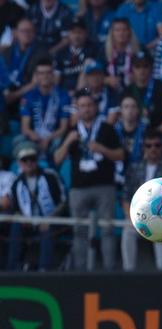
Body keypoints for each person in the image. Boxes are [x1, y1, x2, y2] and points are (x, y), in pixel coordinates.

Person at [53, 89, 124, 271]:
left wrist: (102, 149)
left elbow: (120, 155)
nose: (86, 109)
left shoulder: (107, 128)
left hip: (104, 186)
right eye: (82, 106)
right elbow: (57, 159)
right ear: (77, 109)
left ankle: (109, 271)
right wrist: (68, 142)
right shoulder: (72, 131)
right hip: (78, 188)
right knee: (79, 232)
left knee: (107, 229)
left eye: (89, 105)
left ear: (96, 107)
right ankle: (81, 272)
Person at [121, 128, 162, 270]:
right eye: (149, 145)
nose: (153, 149)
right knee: (127, 231)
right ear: (144, 148)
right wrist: (131, 217)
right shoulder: (134, 168)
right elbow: (126, 196)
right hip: (138, 216)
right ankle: (128, 273)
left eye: (157, 145)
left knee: (161, 231)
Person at [7, 143, 66, 271]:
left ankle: (44, 269)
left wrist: (50, 219)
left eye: (32, 159)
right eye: (25, 160)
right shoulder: (16, 183)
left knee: (48, 229)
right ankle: (14, 268)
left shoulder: (50, 176)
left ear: (37, 160)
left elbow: (63, 202)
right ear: (19, 163)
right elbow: (15, 209)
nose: (29, 162)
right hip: (28, 223)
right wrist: (22, 219)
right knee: (16, 226)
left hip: (51, 220)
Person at [19, 59, 71, 163]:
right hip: (34, 138)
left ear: (53, 75)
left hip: (54, 138)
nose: (45, 76)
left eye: (48, 73)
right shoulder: (28, 96)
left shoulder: (63, 96)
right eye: (41, 73)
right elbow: (25, 128)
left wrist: (48, 139)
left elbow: (63, 128)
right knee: (19, 141)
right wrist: (36, 137)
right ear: (36, 76)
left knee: (61, 143)